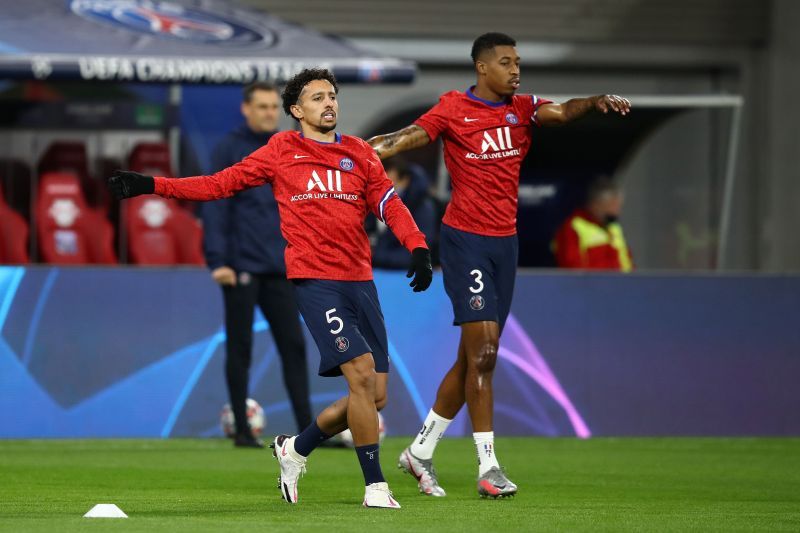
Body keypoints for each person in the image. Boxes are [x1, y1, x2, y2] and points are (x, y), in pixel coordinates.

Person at [108, 68, 432, 509]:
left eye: (332, 95)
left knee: (374, 396)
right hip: (315, 281)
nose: (329, 103)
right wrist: (153, 184)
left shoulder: (359, 153)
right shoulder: (281, 150)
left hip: (360, 281)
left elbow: (390, 206)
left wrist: (417, 247)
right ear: (297, 111)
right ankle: (375, 486)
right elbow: (219, 185)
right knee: (358, 375)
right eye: (317, 98)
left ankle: (295, 448)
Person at [367, 32, 630, 499]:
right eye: (506, 62)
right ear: (482, 68)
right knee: (485, 353)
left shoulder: (523, 109)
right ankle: (488, 467)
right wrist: (356, 152)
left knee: (473, 356)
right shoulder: (452, 108)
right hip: (464, 241)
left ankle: (420, 452)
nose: (515, 70)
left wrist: (593, 102)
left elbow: (564, 112)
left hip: (504, 246)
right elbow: (404, 138)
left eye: (518, 61)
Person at [202, 82, 312, 448]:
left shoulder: (286, 147)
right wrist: (218, 261)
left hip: (281, 265)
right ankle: (243, 431)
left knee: (293, 347)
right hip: (241, 266)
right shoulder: (228, 149)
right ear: (245, 109)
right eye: (261, 106)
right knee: (240, 348)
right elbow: (215, 206)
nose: (268, 113)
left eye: (271, 107)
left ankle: (308, 430)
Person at [553, 176, 633, 271]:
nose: (616, 211)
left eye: (618, 206)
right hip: (593, 285)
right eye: (612, 205)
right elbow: (572, 270)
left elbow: (627, 262)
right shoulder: (573, 227)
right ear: (596, 204)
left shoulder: (614, 227)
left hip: (622, 284)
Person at [371, 157, 437, 269]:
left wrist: (373, 255)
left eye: (390, 183)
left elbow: (416, 254)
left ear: (405, 181)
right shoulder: (371, 202)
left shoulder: (422, 208)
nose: (384, 190)